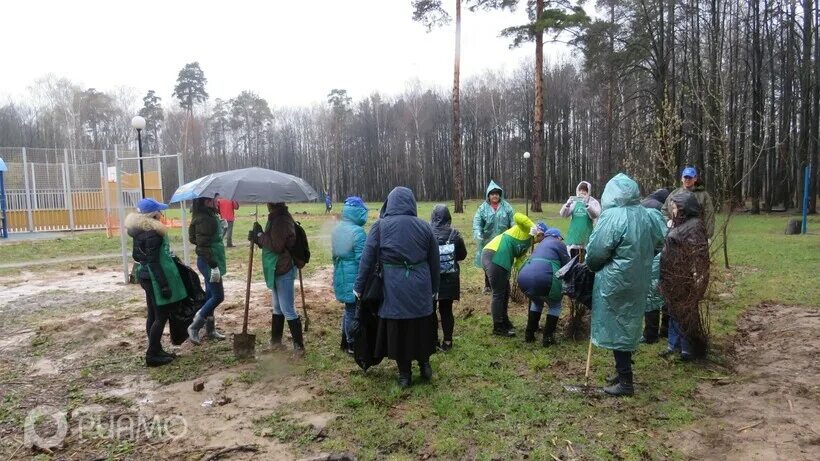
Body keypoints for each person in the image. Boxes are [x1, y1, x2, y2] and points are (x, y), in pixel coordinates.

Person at [586, 174, 665, 397]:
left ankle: (626, 382)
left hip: (615, 281)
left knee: (618, 325)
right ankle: (622, 373)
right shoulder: (647, 215)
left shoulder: (612, 216)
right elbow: (659, 241)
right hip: (640, 278)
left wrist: (594, 265)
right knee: (629, 323)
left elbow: (596, 253)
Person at [353, 187, 440, 388]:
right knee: (421, 325)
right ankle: (425, 364)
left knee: (399, 328)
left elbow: (366, 260)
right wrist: (434, 289)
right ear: (412, 203)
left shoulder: (380, 226)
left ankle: (404, 375)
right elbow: (434, 262)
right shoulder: (425, 226)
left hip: (394, 288)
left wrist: (358, 287)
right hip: (420, 286)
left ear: (389, 203)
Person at [127, 198, 187, 367]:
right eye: (159, 211)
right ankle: (152, 354)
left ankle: (156, 348)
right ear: (154, 215)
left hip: (145, 275)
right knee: (161, 316)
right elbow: (154, 262)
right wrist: (164, 285)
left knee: (152, 315)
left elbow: (138, 256)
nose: (162, 214)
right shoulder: (153, 233)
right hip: (154, 277)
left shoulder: (138, 230)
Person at [659, 191, 711, 361]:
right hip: (672, 275)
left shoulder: (694, 225)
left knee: (684, 312)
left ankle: (687, 348)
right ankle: (674, 345)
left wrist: (697, 278)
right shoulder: (679, 223)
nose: (672, 210)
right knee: (673, 311)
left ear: (683, 208)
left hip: (683, 276)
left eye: (674, 207)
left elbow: (699, 254)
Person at [249, 202, 303, 354]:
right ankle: (276, 343)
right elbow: (272, 242)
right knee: (278, 307)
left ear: (273, 203)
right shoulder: (276, 218)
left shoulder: (281, 220)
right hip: (276, 268)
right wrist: (258, 238)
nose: (266, 203)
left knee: (287, 308)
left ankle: (299, 348)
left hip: (283, 267)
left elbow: (277, 246)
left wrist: (259, 236)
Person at [481, 212, 544, 337]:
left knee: (505, 291)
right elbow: (517, 216)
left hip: (502, 260)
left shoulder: (528, 243)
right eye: (542, 235)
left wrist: (528, 271)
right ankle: (498, 326)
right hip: (494, 253)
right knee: (499, 292)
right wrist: (534, 227)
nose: (541, 239)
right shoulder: (525, 228)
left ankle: (504, 320)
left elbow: (519, 262)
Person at [517, 226, 570, 346]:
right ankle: (548, 338)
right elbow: (567, 265)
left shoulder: (539, 245)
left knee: (537, 302)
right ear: (557, 237)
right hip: (544, 278)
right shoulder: (558, 243)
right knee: (555, 304)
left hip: (524, 278)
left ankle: (529, 334)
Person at [187, 196, 227, 345]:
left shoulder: (207, 216)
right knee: (218, 296)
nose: (217, 202)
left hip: (209, 259)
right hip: (209, 261)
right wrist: (213, 265)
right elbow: (202, 245)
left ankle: (210, 330)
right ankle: (194, 326)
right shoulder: (205, 219)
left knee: (210, 294)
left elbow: (194, 238)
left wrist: (221, 231)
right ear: (206, 202)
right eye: (214, 200)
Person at [332, 196, 369, 355]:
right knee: (353, 310)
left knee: (348, 308)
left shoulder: (337, 229)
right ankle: (352, 344)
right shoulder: (358, 232)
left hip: (341, 273)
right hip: (354, 276)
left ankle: (344, 341)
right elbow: (363, 260)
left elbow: (334, 256)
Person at [430, 204, 467, 352]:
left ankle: (433, 341)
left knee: (430, 310)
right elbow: (463, 255)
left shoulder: (427, 232)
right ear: (448, 217)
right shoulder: (455, 234)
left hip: (431, 278)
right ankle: (448, 342)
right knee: (446, 310)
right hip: (449, 279)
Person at [472, 180, 514, 293]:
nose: (495, 196)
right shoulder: (483, 208)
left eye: (497, 193)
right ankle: (488, 285)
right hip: (488, 241)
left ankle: (505, 284)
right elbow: (477, 223)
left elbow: (513, 222)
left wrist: (513, 234)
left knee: (504, 262)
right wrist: (478, 233)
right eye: (492, 194)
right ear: (488, 195)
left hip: (503, 241)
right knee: (488, 263)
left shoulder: (507, 207)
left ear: (500, 195)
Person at [641, 189, 670, 344]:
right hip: (663, 256)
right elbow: (665, 236)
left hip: (651, 257)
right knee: (664, 293)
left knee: (651, 296)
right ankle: (665, 329)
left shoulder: (645, 208)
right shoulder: (660, 210)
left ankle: (650, 334)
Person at [662, 166, 715, 240]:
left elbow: (709, 215)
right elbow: (664, 211)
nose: (687, 179)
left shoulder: (703, 195)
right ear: (682, 178)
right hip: (676, 235)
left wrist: (708, 236)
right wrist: (668, 221)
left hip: (696, 235)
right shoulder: (674, 194)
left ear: (695, 178)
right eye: (685, 177)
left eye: (690, 177)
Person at [559, 181, 602, 260]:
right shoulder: (574, 201)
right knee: (572, 258)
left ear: (588, 191)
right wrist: (567, 205)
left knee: (586, 258)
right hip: (574, 234)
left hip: (587, 234)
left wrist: (587, 205)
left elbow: (595, 215)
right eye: (580, 190)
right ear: (577, 191)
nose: (582, 192)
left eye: (584, 190)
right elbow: (563, 215)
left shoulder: (593, 202)